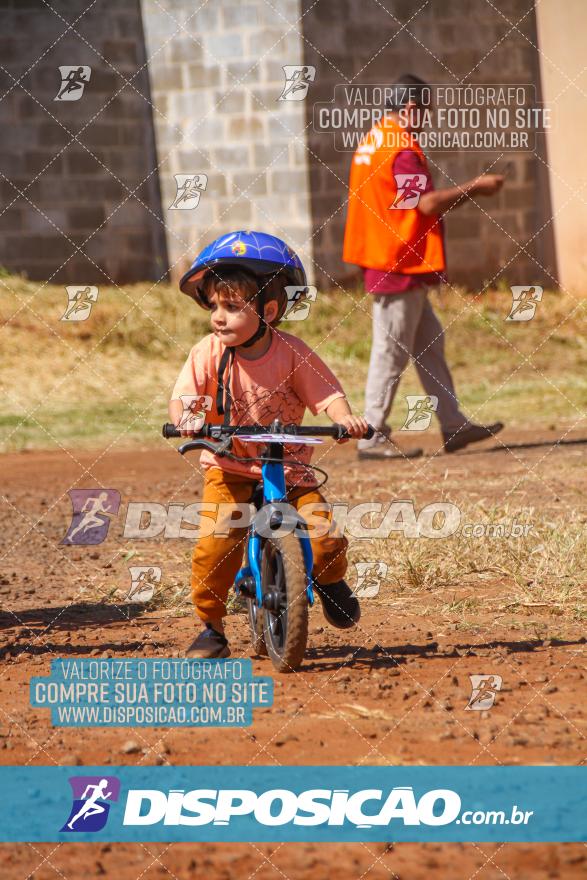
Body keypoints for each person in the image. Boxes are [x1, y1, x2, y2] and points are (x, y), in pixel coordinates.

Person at [169, 231, 367, 659]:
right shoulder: (207, 353)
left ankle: (329, 580)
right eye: (214, 306)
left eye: (233, 307)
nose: (219, 318)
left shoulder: (293, 353)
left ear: (269, 310)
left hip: (289, 468)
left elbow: (327, 395)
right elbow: (185, 398)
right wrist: (186, 419)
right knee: (216, 545)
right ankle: (212, 628)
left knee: (325, 537)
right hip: (229, 465)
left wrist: (344, 419)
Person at [343, 73, 505, 458]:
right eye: (425, 110)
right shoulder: (400, 148)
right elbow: (425, 205)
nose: (427, 118)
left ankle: (453, 424)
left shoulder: (374, 139)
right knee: (390, 351)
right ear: (411, 107)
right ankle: (372, 435)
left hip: (390, 258)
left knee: (430, 344)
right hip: (397, 261)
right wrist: (475, 188)